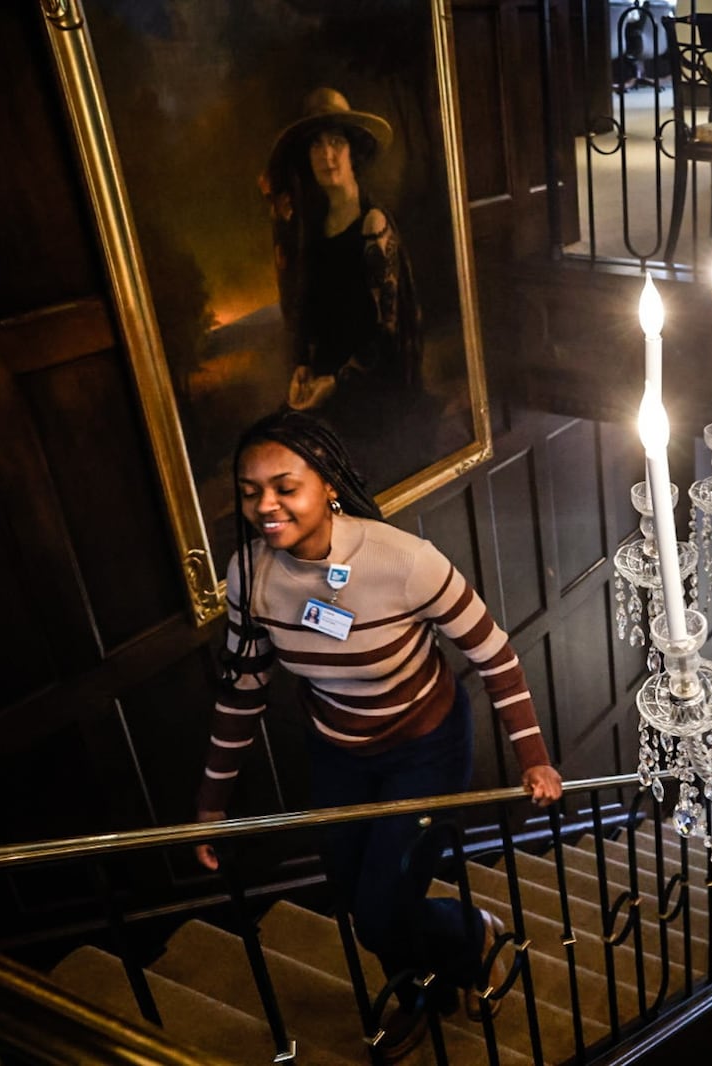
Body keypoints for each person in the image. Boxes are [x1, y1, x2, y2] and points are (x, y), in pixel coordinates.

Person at [194, 410, 562, 1057]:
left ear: (329, 484)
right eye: (251, 492)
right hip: (339, 752)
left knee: (382, 907)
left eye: (285, 487)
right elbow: (243, 690)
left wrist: (532, 758)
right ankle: (443, 968)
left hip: (426, 750)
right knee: (353, 891)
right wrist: (211, 804)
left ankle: (466, 938)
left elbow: (495, 654)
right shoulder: (250, 575)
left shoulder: (403, 561)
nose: (266, 506)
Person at [261, 88, 422, 415]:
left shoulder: (372, 224)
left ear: (354, 153)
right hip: (324, 382)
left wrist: (336, 382)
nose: (327, 155)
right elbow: (312, 311)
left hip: (369, 390)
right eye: (316, 145)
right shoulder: (315, 227)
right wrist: (304, 365)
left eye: (336, 142)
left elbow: (388, 334)